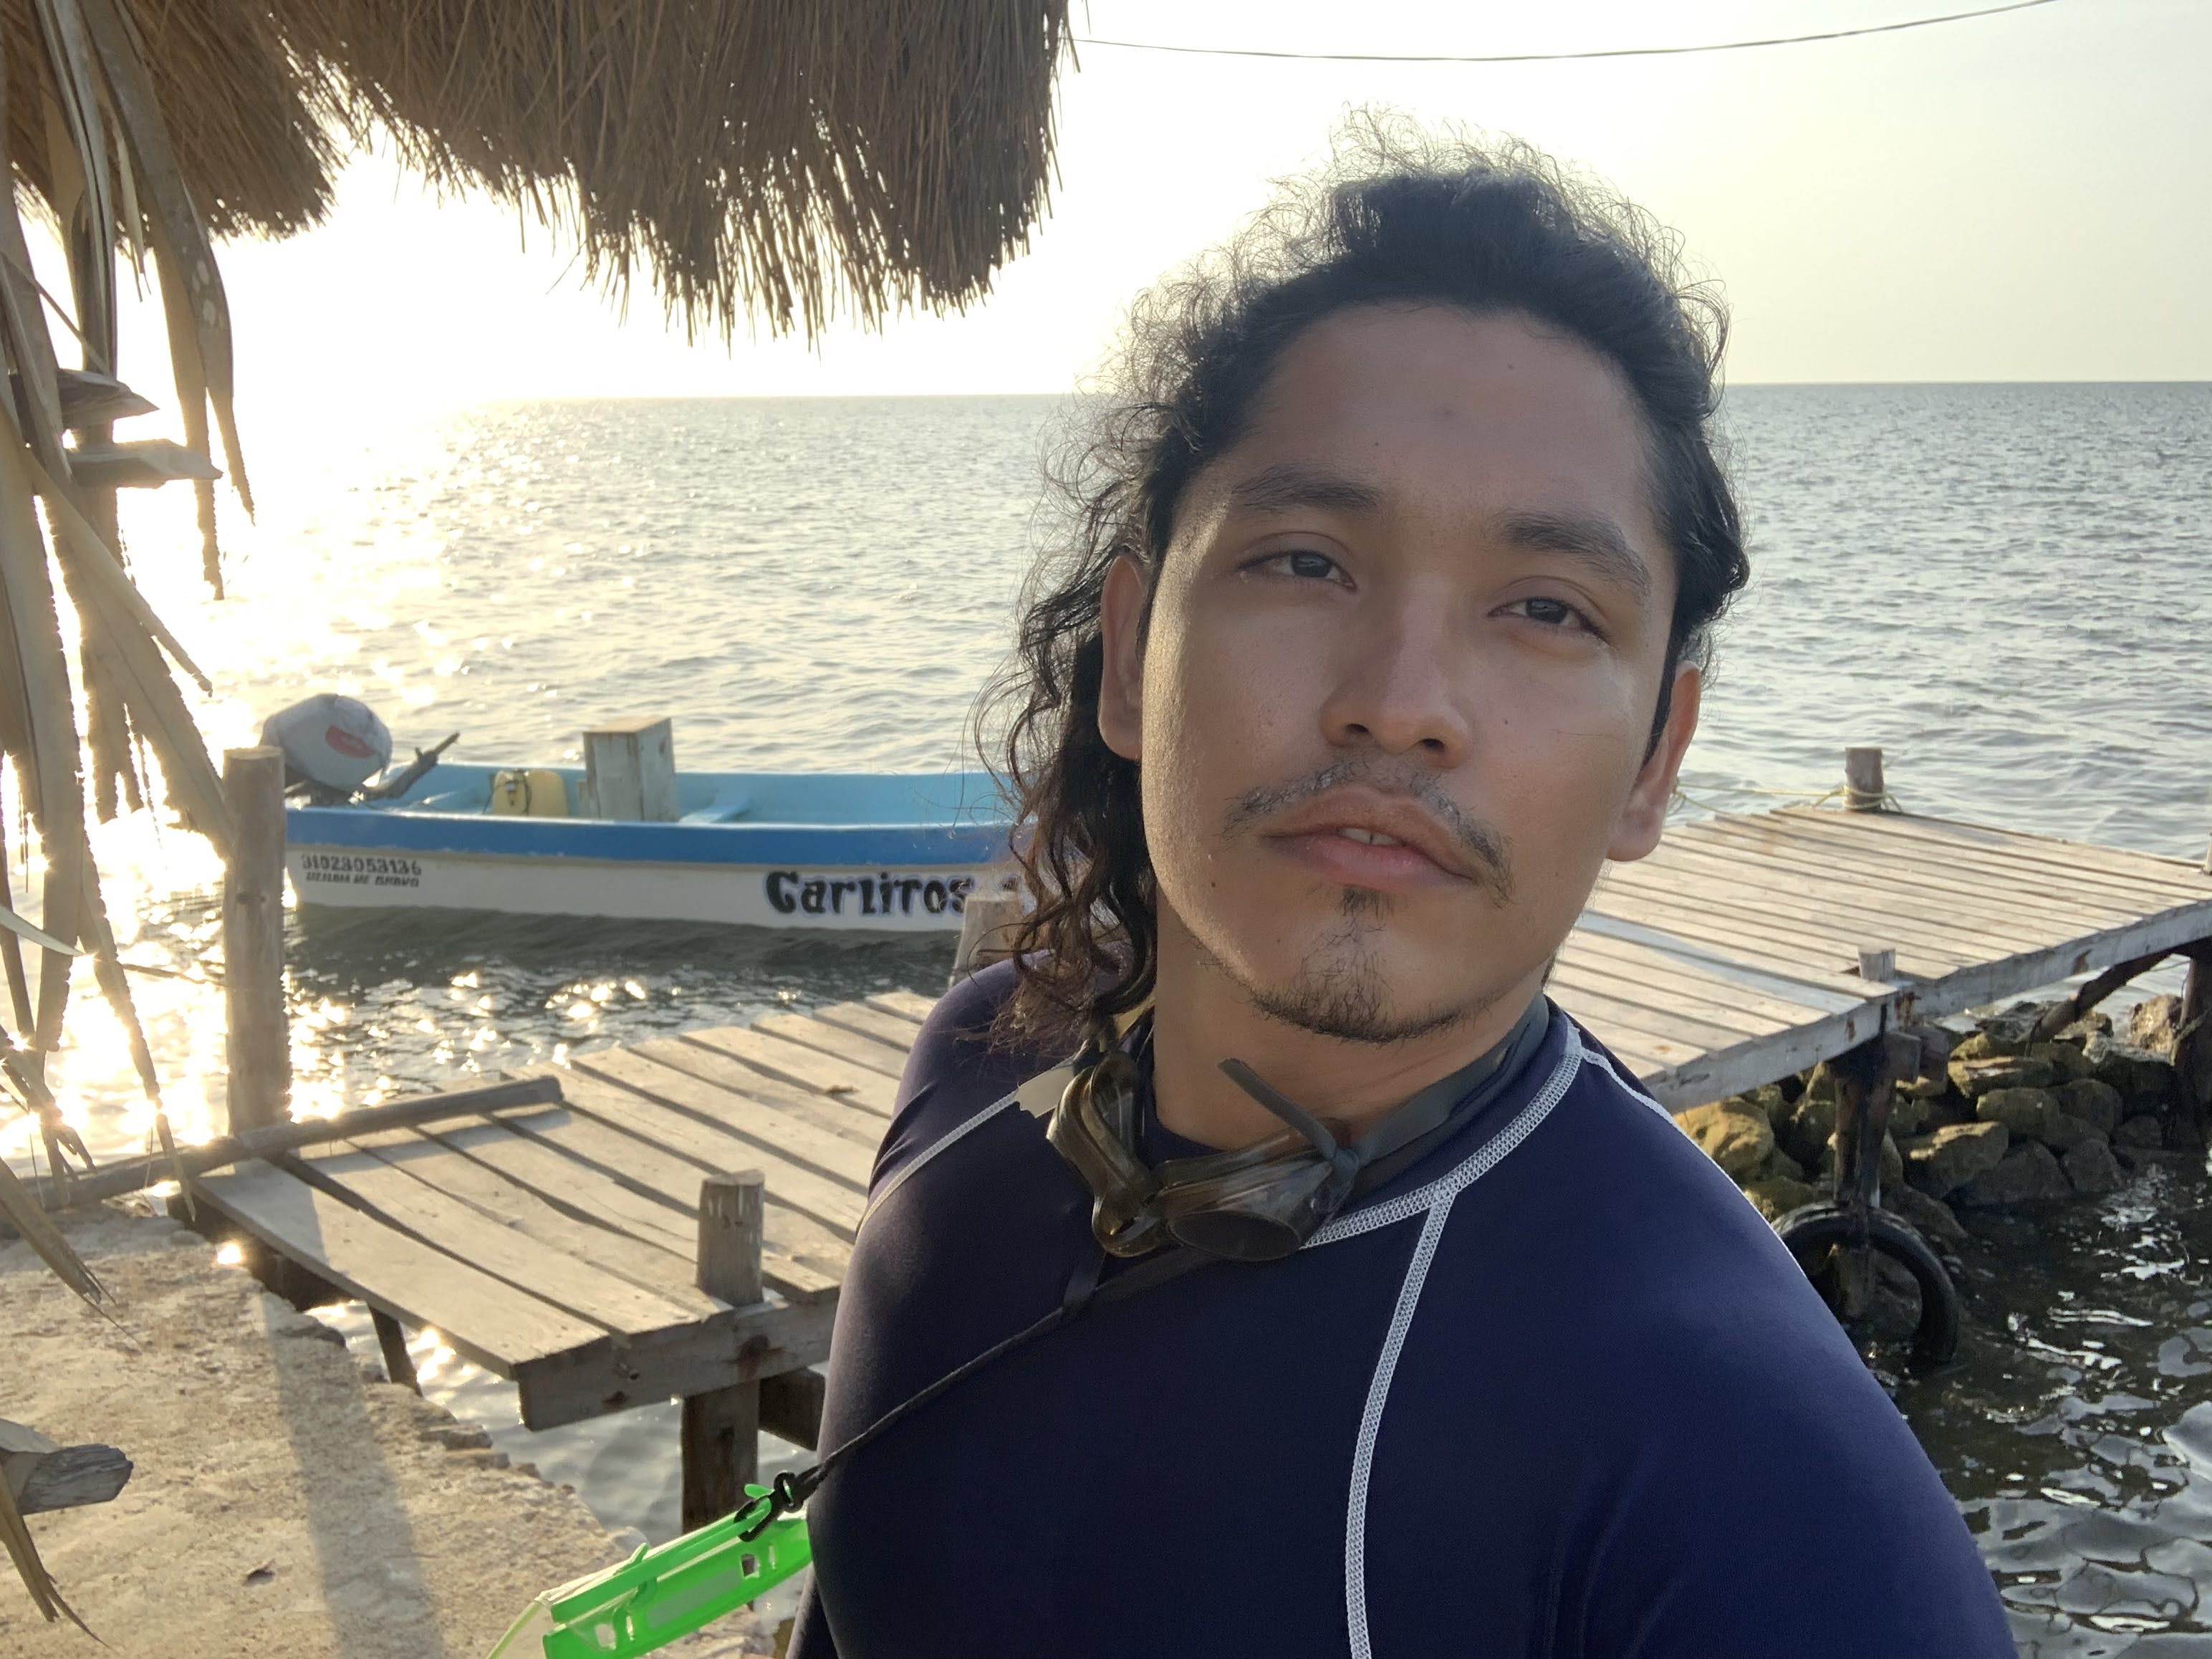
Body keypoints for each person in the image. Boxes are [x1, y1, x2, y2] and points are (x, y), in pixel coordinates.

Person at [788, 120, 2016, 1658]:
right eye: (1306, 562)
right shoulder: (980, 1070)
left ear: (1654, 760)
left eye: (1546, 608)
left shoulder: (1753, 1490)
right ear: (1130, 655)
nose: (1399, 701)